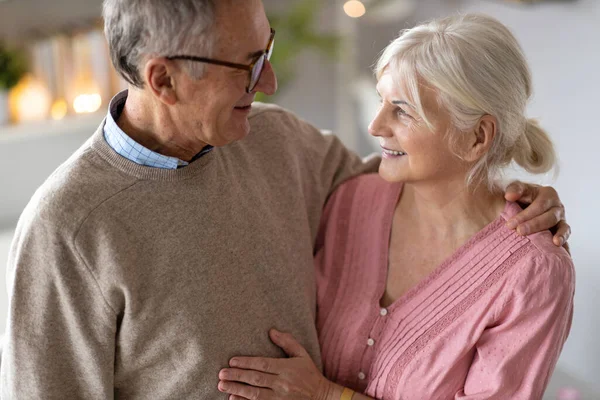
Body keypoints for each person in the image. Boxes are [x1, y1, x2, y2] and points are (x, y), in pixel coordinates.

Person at [0, 1, 567, 398]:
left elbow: (426, 182)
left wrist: (519, 203)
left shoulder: (280, 141)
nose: (269, 80)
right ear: (164, 80)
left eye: (264, 47)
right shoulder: (68, 230)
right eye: (247, 64)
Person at [217, 14, 575, 400]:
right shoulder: (352, 200)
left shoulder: (533, 272)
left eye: (402, 110)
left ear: (477, 137)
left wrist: (324, 395)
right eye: (381, 100)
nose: (375, 126)